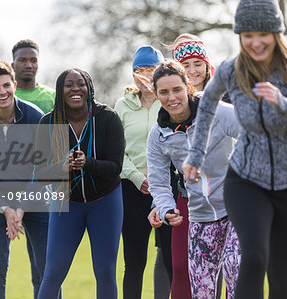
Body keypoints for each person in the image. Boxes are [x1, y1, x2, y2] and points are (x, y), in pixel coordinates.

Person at [183, 0, 287, 298]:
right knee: (253, 259)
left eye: (262, 33)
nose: (255, 42)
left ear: (277, 32)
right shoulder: (231, 69)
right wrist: (195, 155)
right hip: (246, 180)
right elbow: (207, 104)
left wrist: (282, 104)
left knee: (281, 278)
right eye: (247, 35)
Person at [147, 60, 241, 298]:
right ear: (156, 94)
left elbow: (255, 132)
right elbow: (158, 181)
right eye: (164, 92)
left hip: (237, 208)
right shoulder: (159, 136)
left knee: (235, 268)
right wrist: (166, 207)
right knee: (202, 291)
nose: (172, 97)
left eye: (177, 89)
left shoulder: (217, 112)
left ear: (187, 86)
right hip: (200, 215)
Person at [36, 68, 125, 299]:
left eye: (81, 83)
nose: (75, 88)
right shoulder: (48, 123)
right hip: (66, 203)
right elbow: (40, 173)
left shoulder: (107, 118)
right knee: (53, 272)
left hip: (105, 202)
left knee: (105, 271)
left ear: (89, 89)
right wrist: (63, 167)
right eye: (68, 84)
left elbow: (116, 168)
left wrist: (88, 163)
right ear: (60, 91)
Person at [0, 60, 50, 299]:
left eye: (6, 85)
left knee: (45, 270)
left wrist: (23, 206)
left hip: (36, 200)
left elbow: (42, 167)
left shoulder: (35, 117)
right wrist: (5, 208)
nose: (2, 91)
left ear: (14, 84)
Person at [114, 45, 167, 299]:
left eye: (152, 69)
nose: (145, 76)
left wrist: (157, 179)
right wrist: (137, 177)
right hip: (131, 190)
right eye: (140, 70)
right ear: (133, 74)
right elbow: (117, 150)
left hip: (167, 189)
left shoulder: (170, 101)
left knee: (169, 258)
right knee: (134, 262)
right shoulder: (122, 106)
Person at [0, 39, 55, 114]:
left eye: (33, 61)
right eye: (22, 60)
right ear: (13, 66)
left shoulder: (53, 96)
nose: (29, 65)